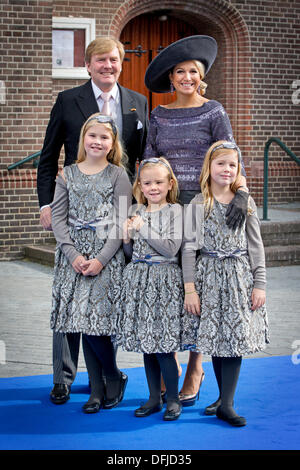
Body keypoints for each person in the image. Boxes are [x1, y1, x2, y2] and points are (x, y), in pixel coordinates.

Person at [37, 37, 148, 404]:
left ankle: (104, 379)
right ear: (88, 65)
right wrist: (46, 205)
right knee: (68, 303)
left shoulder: (137, 103)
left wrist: (140, 213)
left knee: (102, 306)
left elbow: (142, 163)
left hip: (115, 219)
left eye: (114, 60)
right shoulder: (68, 100)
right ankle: (63, 378)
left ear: (121, 63)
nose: (108, 65)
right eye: (101, 60)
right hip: (74, 211)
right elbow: (49, 154)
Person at [143, 35, 250, 406]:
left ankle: (196, 366)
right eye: (179, 72)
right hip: (170, 208)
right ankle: (170, 366)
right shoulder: (159, 115)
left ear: (201, 76)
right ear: (170, 79)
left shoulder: (214, 111)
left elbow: (229, 154)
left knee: (201, 286)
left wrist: (242, 193)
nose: (186, 77)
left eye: (193, 71)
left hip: (206, 207)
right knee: (175, 284)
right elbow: (148, 159)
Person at [181, 140, 269, 426]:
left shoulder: (246, 202)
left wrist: (260, 283)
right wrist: (190, 289)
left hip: (238, 278)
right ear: (209, 167)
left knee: (233, 340)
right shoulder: (198, 203)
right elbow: (189, 249)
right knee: (218, 339)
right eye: (221, 163)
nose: (227, 169)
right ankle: (222, 397)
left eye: (233, 165)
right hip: (208, 277)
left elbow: (256, 245)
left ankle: (227, 404)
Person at [50, 113, 132, 413]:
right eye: (92, 136)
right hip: (73, 258)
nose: (97, 141)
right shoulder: (67, 175)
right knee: (80, 323)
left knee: (98, 326)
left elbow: (122, 221)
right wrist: (73, 255)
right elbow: (58, 219)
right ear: (83, 138)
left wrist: (100, 259)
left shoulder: (118, 175)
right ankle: (96, 390)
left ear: (112, 144)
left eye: (104, 137)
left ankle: (112, 375)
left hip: (104, 256)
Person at [117, 157, 184, 421]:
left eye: (158, 182)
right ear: (140, 186)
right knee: (147, 342)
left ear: (170, 184)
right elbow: (130, 252)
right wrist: (125, 236)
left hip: (164, 281)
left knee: (164, 343)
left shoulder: (176, 211)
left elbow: (170, 248)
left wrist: (142, 228)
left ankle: (173, 399)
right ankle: (154, 397)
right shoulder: (137, 210)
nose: (153, 187)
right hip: (140, 282)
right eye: (147, 183)